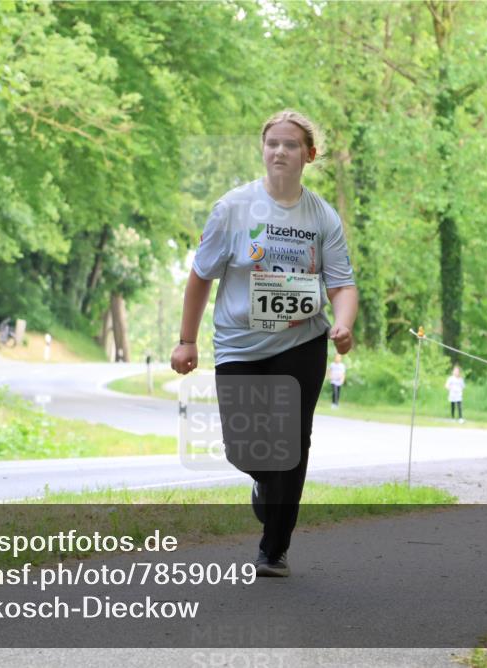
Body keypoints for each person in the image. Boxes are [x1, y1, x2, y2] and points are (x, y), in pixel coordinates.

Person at [170, 110, 358, 578]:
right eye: (272, 143)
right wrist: (185, 341)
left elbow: (342, 284)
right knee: (248, 450)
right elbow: (200, 277)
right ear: (262, 149)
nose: (279, 151)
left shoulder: (322, 216)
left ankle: (273, 550)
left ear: (309, 155)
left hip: (302, 341)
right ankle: (263, 482)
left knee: (292, 444)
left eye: (290, 144)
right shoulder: (232, 209)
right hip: (240, 345)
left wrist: (344, 324)